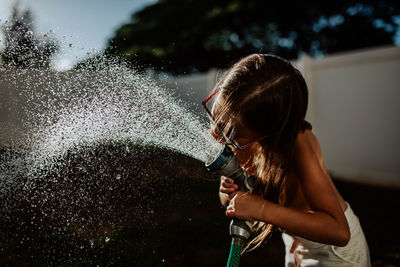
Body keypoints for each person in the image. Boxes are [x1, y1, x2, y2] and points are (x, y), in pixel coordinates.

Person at [203, 54, 371, 266]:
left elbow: (338, 231)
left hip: (332, 253)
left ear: (269, 134)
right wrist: (228, 192)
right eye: (217, 121)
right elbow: (234, 202)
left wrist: (261, 209)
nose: (216, 136)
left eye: (232, 135)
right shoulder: (242, 142)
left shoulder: (297, 145)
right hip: (294, 240)